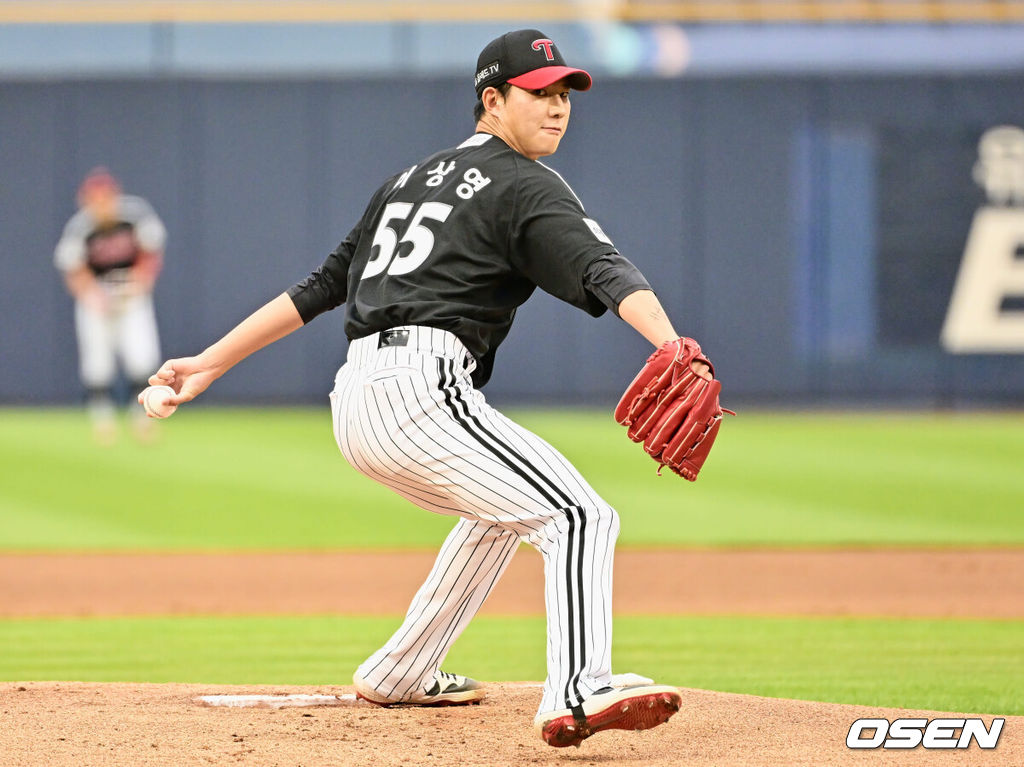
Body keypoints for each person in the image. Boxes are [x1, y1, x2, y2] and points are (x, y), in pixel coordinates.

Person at [146, 29, 709, 747]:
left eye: (565, 94)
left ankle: (401, 668)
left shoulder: (410, 178)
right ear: (492, 99)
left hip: (358, 398)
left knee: (504, 509)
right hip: (421, 385)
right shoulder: (523, 181)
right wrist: (672, 345)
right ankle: (576, 689)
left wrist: (209, 362)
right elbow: (606, 268)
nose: (559, 108)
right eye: (541, 93)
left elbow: (321, 287)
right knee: (580, 517)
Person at [55, 167, 166, 444]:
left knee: (142, 357)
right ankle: (102, 420)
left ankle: (142, 418)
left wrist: (141, 281)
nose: (101, 205)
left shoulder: (135, 215)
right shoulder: (81, 227)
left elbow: (151, 253)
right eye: (94, 199)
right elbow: (73, 269)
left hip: (131, 296)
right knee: (97, 363)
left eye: (105, 198)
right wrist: (91, 294)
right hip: (97, 299)